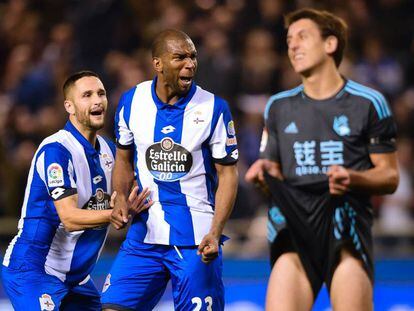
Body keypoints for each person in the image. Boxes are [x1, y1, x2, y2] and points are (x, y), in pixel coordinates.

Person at [245, 8, 399, 311]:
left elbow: (390, 177)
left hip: (346, 231)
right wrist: (262, 175)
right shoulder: (277, 106)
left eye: (303, 37)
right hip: (292, 230)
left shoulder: (368, 103)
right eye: (289, 40)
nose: (293, 46)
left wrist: (354, 178)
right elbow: (273, 171)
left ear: (330, 44)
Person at [101, 29, 239, 311]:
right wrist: (120, 199)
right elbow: (124, 159)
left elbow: (228, 174)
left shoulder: (214, 108)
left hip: (196, 241)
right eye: (180, 57)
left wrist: (216, 231)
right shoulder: (131, 102)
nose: (190, 64)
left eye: (193, 57)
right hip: (143, 236)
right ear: (158, 64)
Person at [1, 70, 152, 310]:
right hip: (34, 271)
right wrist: (113, 214)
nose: (97, 100)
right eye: (87, 95)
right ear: (69, 106)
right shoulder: (57, 151)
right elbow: (69, 218)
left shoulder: (110, 152)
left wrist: (127, 206)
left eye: (101, 93)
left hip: (77, 279)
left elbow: (127, 196)